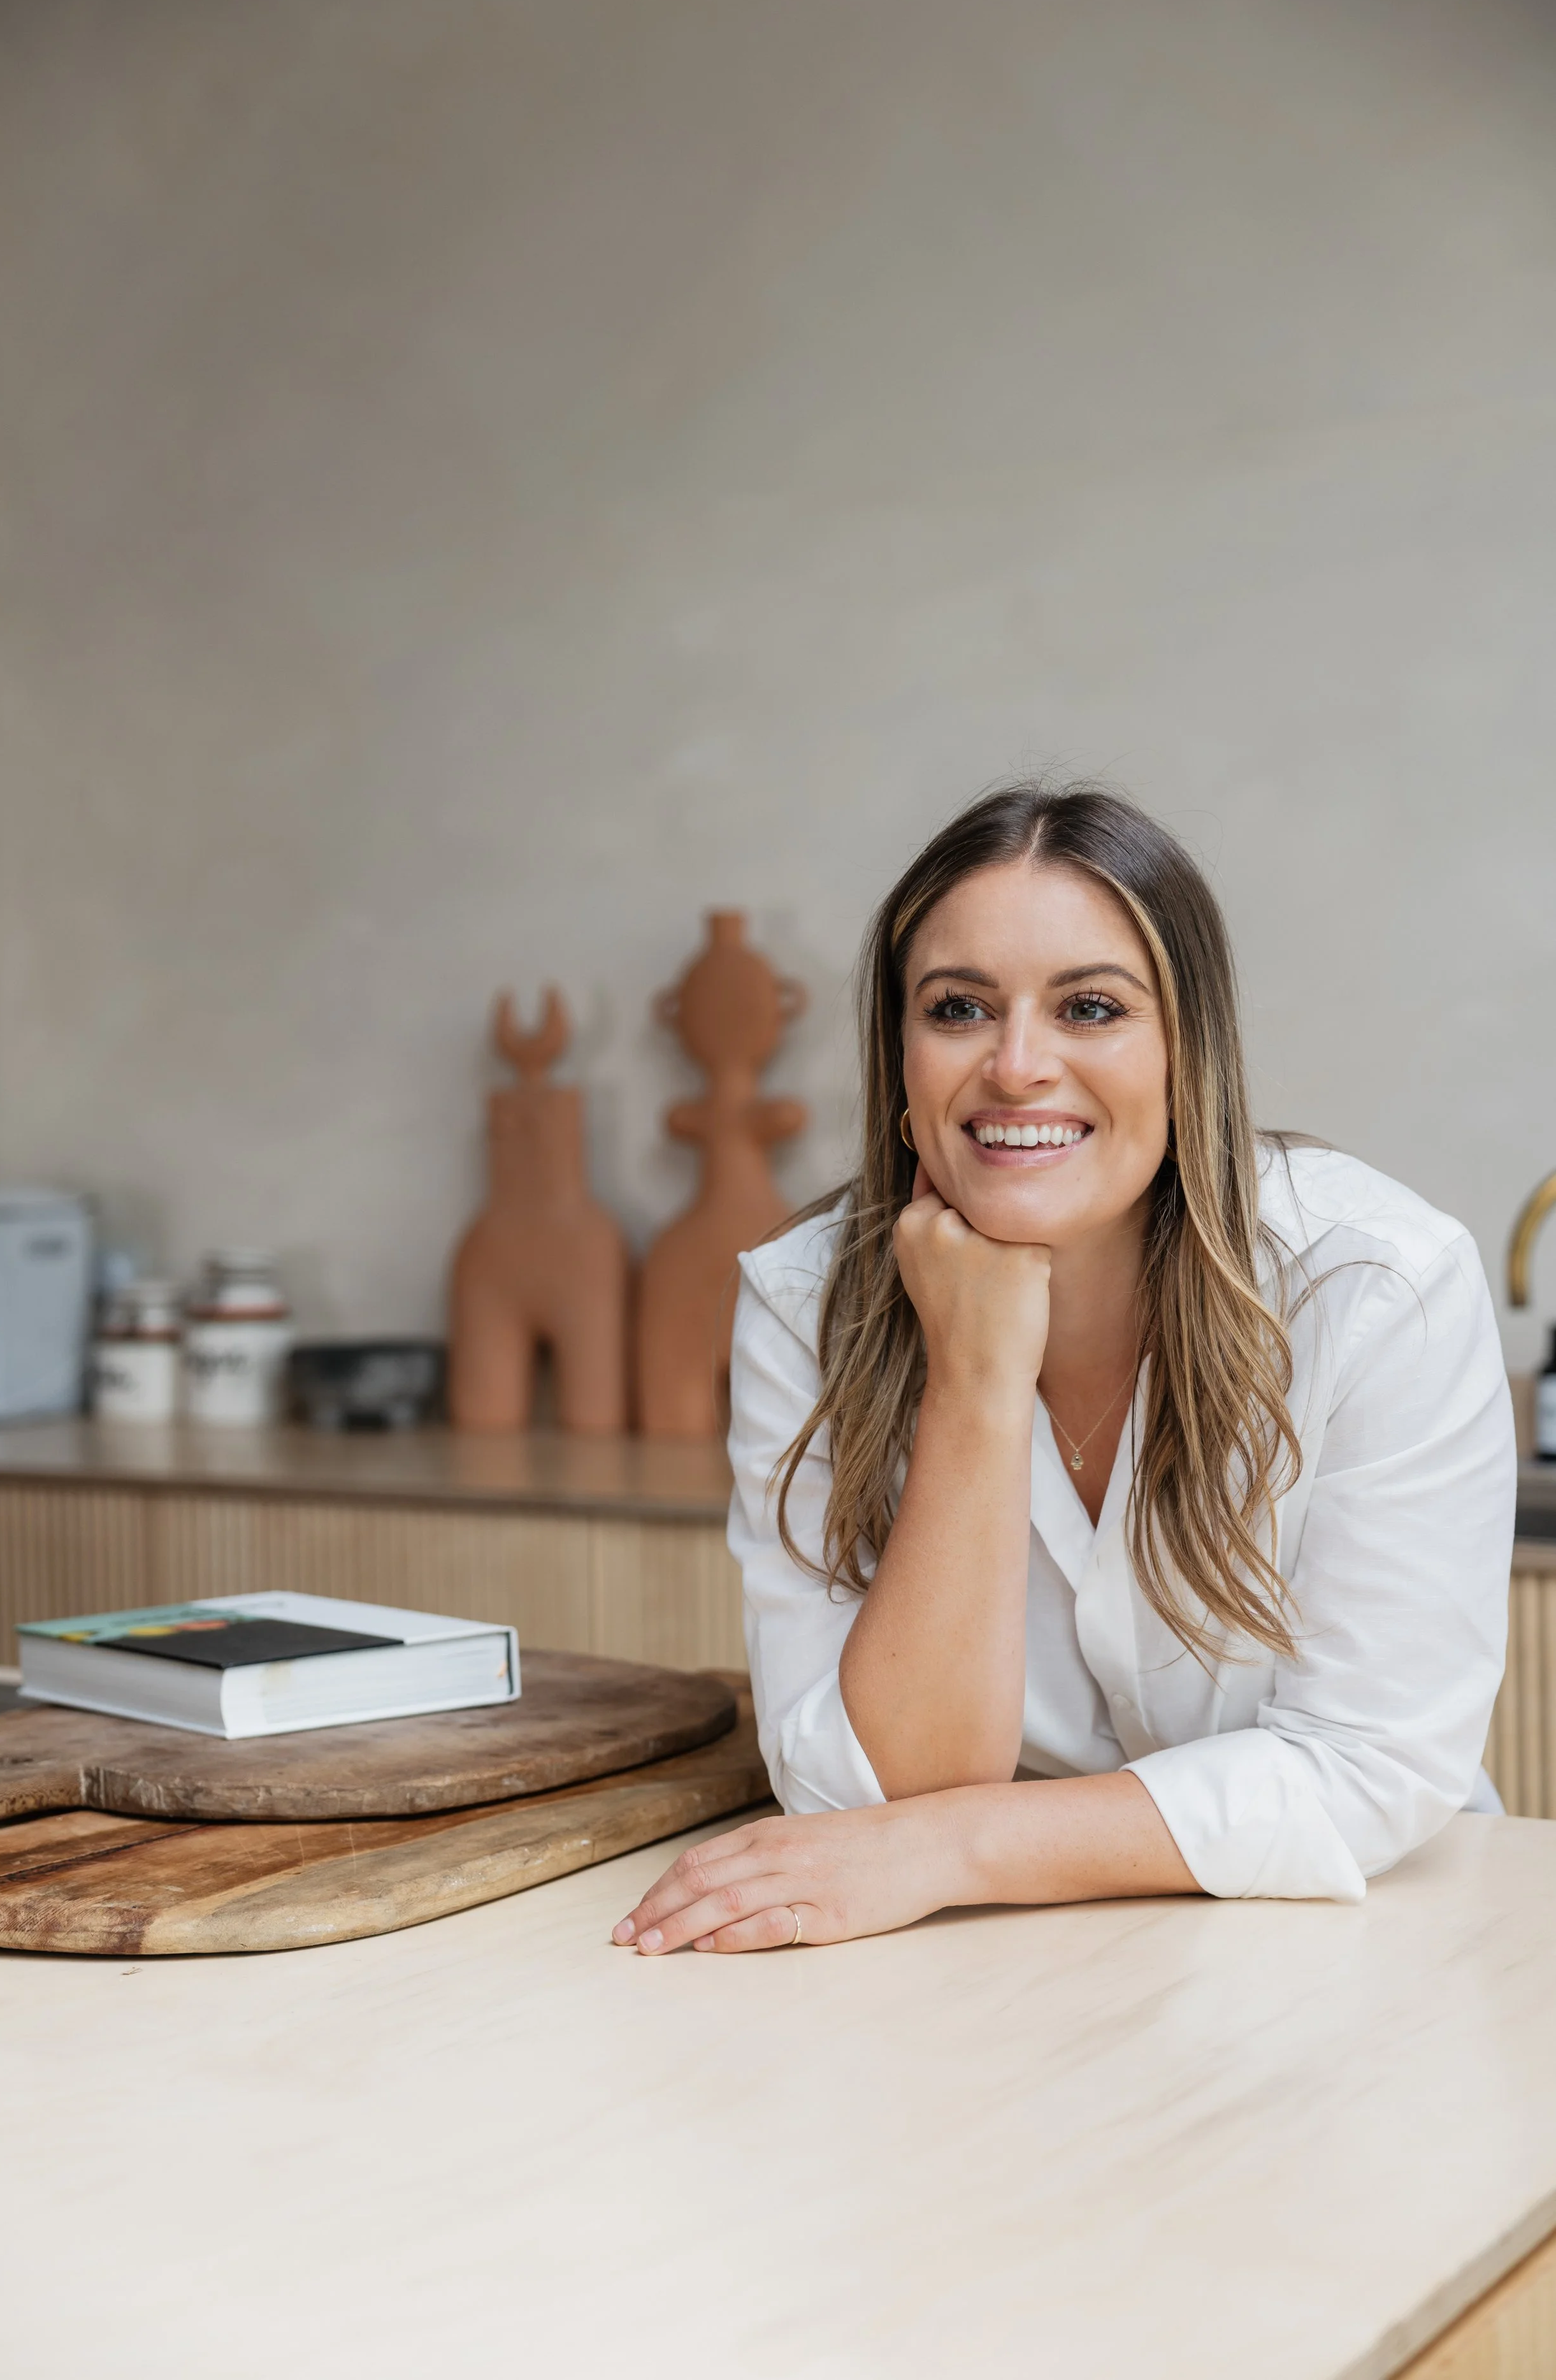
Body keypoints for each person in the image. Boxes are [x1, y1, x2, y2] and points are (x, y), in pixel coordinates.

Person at [613, 784, 1515, 1956]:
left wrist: (958, 1847)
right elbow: (862, 1804)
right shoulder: (804, 1304)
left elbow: (1371, 1765)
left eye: (1090, 1007)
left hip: (1355, 1947)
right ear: (900, 1061)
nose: (1018, 1065)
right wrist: (977, 1384)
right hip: (978, 1967)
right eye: (958, 1009)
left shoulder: (1377, 1285)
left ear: (1189, 1054)